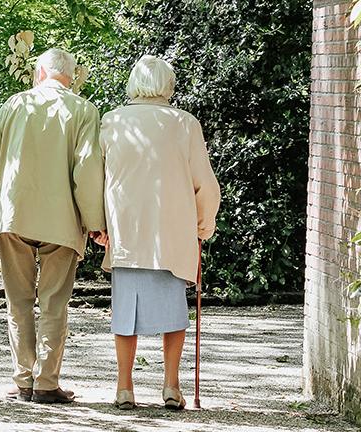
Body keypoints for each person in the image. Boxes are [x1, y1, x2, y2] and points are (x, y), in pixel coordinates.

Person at [0, 48, 106, 404]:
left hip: (15, 215)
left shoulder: (15, 104)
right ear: (71, 77)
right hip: (62, 221)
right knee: (53, 303)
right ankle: (46, 383)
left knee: (18, 301)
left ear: (40, 73)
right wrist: (95, 222)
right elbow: (88, 170)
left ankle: (23, 380)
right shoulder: (84, 110)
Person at [94, 55, 221, 410]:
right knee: (174, 312)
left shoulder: (112, 121)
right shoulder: (185, 124)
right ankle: (171, 385)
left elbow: (96, 179)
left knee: (124, 313)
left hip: (127, 231)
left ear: (134, 83)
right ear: (169, 85)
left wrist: (98, 224)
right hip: (172, 232)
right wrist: (203, 224)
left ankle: (124, 387)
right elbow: (205, 184)